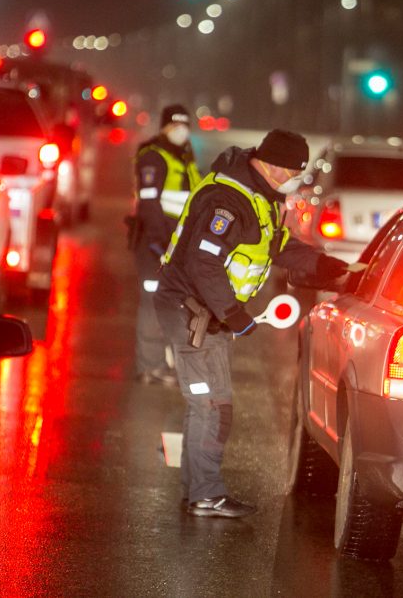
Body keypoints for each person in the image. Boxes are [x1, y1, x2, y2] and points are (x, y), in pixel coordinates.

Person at [155, 129, 350, 518]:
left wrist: (329, 269)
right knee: (210, 406)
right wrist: (234, 315)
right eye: (291, 172)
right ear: (273, 163)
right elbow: (203, 262)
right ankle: (205, 494)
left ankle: (199, 491)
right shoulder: (227, 201)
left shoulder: (259, 198)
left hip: (208, 315)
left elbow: (279, 246)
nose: (291, 179)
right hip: (192, 313)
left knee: (212, 405)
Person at [130, 104, 202, 386]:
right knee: (152, 302)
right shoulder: (153, 157)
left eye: (184, 125)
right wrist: (161, 244)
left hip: (177, 245)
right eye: (174, 125)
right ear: (164, 127)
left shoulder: (184, 157)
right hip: (155, 245)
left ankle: (164, 363)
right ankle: (149, 367)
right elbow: (148, 204)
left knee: (173, 303)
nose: (180, 130)